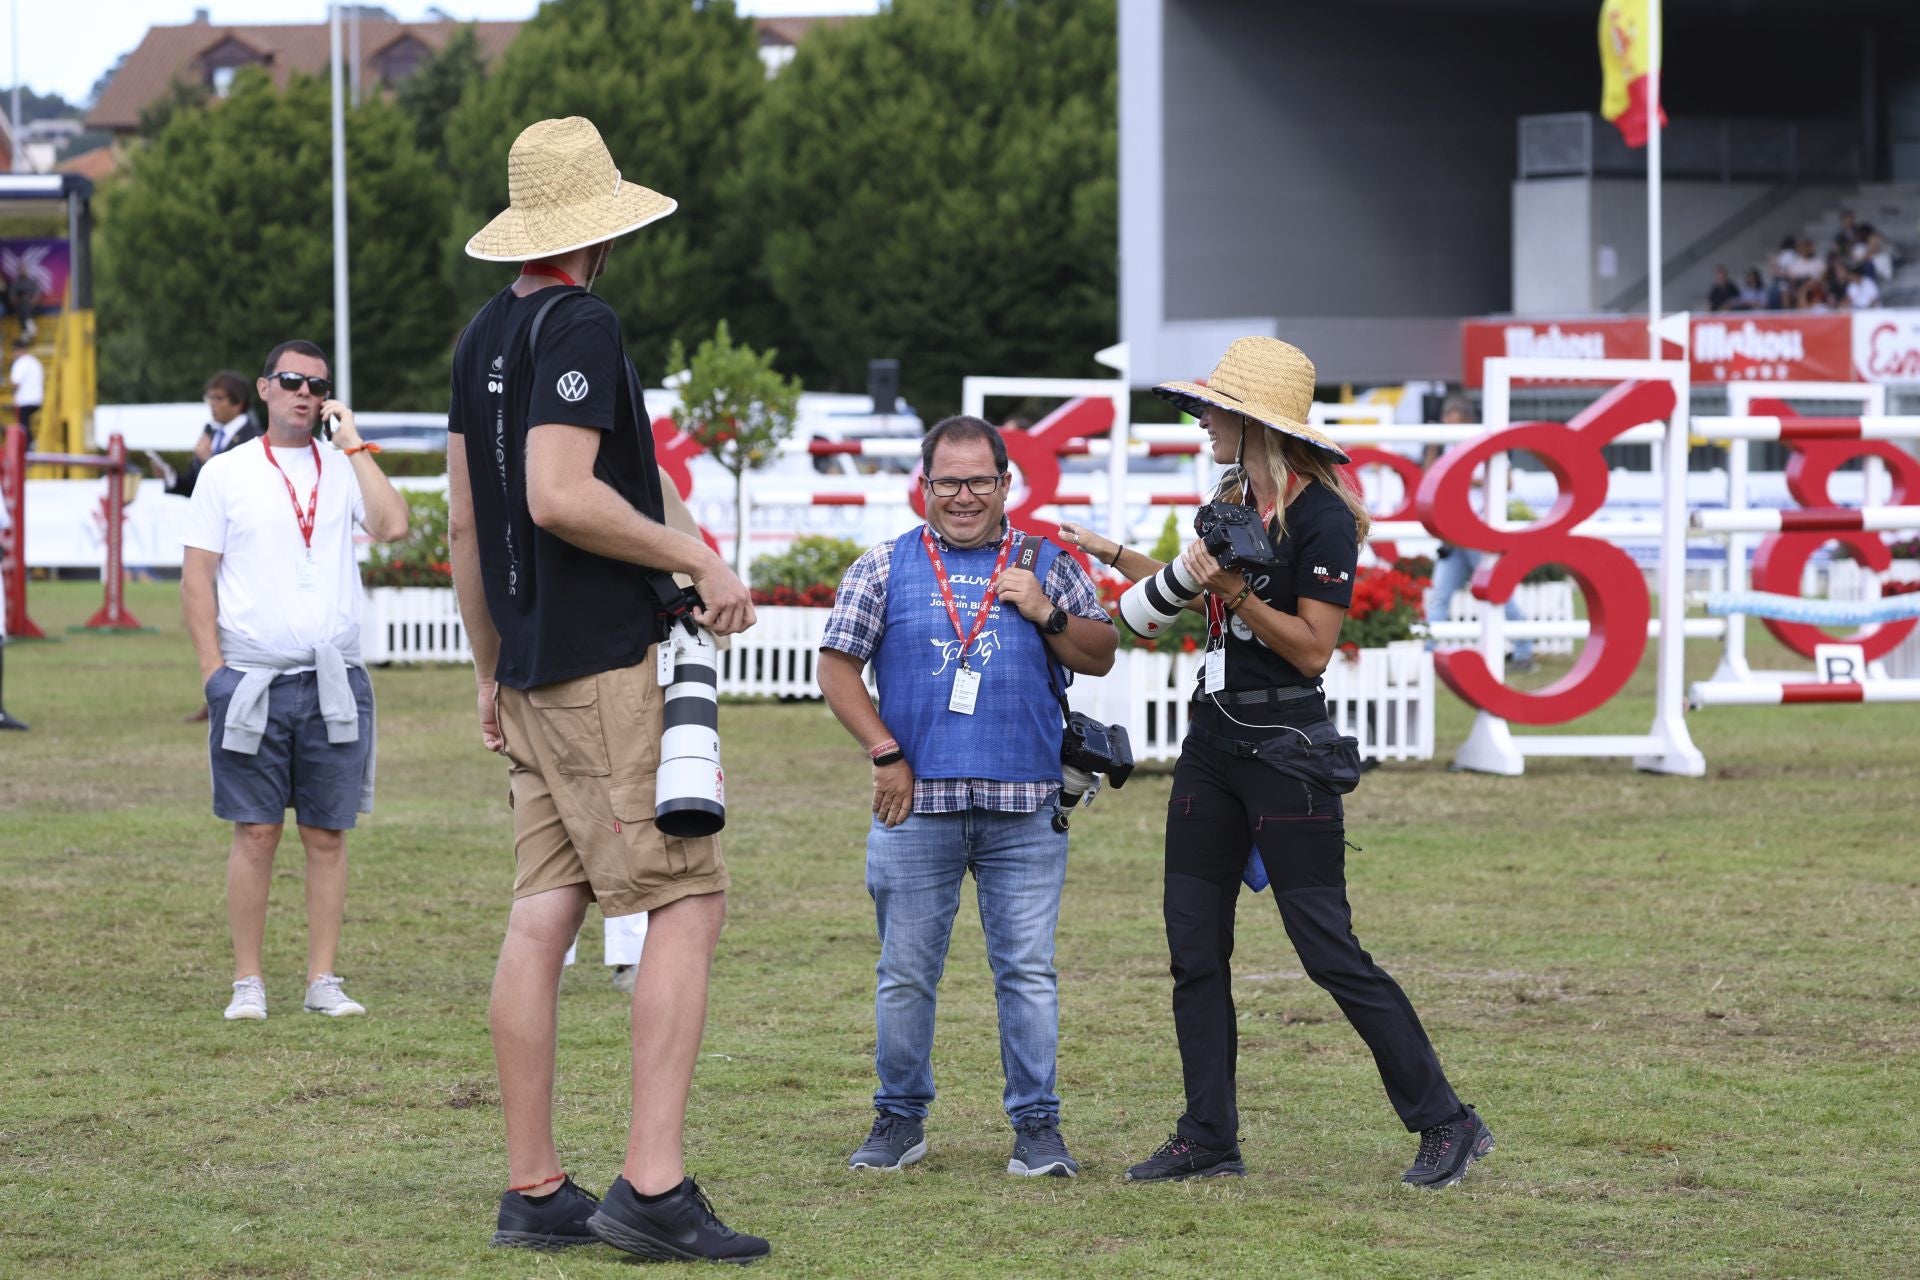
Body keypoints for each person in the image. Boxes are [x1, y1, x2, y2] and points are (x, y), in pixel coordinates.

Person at [445, 116, 767, 1262]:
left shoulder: (486, 332)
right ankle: (652, 1183)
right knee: (686, 894)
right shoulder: (584, 319)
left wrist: (489, 667)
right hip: (598, 668)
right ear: (601, 233)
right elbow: (556, 494)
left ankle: (534, 1186)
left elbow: (465, 524)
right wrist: (697, 559)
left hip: (531, 669)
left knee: (545, 911)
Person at [1061, 337, 1492, 1189]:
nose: (1202, 424)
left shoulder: (1323, 517)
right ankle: (1207, 1135)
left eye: (1213, 411)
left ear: (1253, 423)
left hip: (1286, 750)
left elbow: (1310, 650)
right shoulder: (1226, 496)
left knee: (1327, 949)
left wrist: (1234, 594)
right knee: (1193, 948)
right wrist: (1116, 557)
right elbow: (1185, 595)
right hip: (1211, 749)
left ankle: (1448, 1120)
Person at [816, 415, 1116, 1180]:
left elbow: (1102, 652)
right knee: (907, 972)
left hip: (1027, 809)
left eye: (979, 480)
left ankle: (1038, 1129)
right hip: (917, 809)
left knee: (1027, 973)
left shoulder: (1047, 561)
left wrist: (1042, 609)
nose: (963, 496)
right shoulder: (884, 565)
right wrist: (884, 752)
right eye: (947, 481)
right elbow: (837, 669)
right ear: (924, 486)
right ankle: (900, 1120)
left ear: (1006, 484)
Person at [180, 339, 409, 1024]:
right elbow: (197, 581)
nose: (305, 393)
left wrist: (356, 442)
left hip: (332, 680)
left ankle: (322, 979)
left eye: (317, 384)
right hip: (250, 679)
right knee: (254, 832)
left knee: (327, 834)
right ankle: (247, 981)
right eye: (292, 381)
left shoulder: (343, 469)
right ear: (265, 388)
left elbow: (394, 526)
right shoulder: (226, 473)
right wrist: (212, 675)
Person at [158, 372, 263, 722]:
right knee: (211, 619)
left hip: (240, 547)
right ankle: (217, 690)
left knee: (235, 620)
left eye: (219, 399)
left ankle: (237, 693)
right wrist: (174, 477)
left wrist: (205, 462)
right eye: (210, 399)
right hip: (211, 543)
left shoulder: (253, 438)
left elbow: (242, 487)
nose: (213, 406)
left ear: (238, 403)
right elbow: (196, 487)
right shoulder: (211, 435)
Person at [1424, 395, 1534, 673]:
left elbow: (1506, 482)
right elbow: (1428, 478)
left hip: (1477, 534)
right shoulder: (1446, 448)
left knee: (1497, 593)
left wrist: (1462, 477)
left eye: (1453, 422)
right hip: (1452, 536)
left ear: (1466, 421)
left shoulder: (1483, 444)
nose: (1449, 427)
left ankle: (1524, 652)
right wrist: (1433, 444)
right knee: (1439, 596)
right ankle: (1427, 656)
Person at [8, 336, 42, 437]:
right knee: (26, 424)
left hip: (24, 400)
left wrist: (12, 393)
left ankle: (26, 447)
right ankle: (30, 443)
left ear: (18, 350)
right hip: (37, 399)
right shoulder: (35, 362)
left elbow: (16, 383)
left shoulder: (20, 363)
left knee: (23, 426)